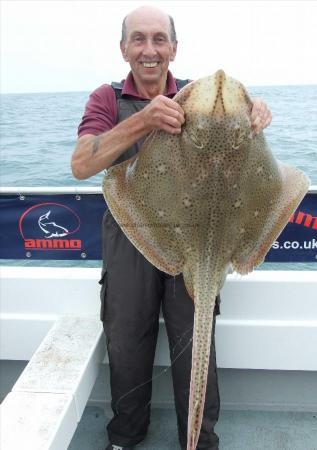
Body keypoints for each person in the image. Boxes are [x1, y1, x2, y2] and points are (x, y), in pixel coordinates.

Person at [71, 6, 272, 450]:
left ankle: (200, 442)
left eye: (159, 39)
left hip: (197, 237)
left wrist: (254, 114)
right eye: (138, 39)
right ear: (123, 49)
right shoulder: (106, 98)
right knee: (127, 339)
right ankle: (125, 437)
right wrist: (143, 120)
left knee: (196, 338)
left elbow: (239, 151)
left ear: (174, 49)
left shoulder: (196, 94)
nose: (149, 49)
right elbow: (82, 164)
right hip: (131, 237)